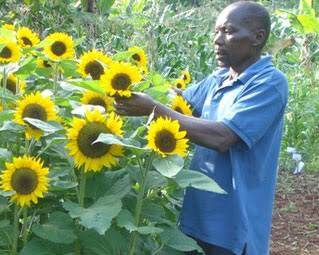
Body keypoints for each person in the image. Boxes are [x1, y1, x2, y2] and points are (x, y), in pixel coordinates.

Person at [114, 1, 288, 255]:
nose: (217, 40)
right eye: (216, 31)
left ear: (257, 37)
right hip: (196, 217)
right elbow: (179, 102)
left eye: (228, 31)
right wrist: (126, 82)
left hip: (232, 226)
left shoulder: (269, 83)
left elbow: (223, 136)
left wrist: (152, 108)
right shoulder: (220, 77)